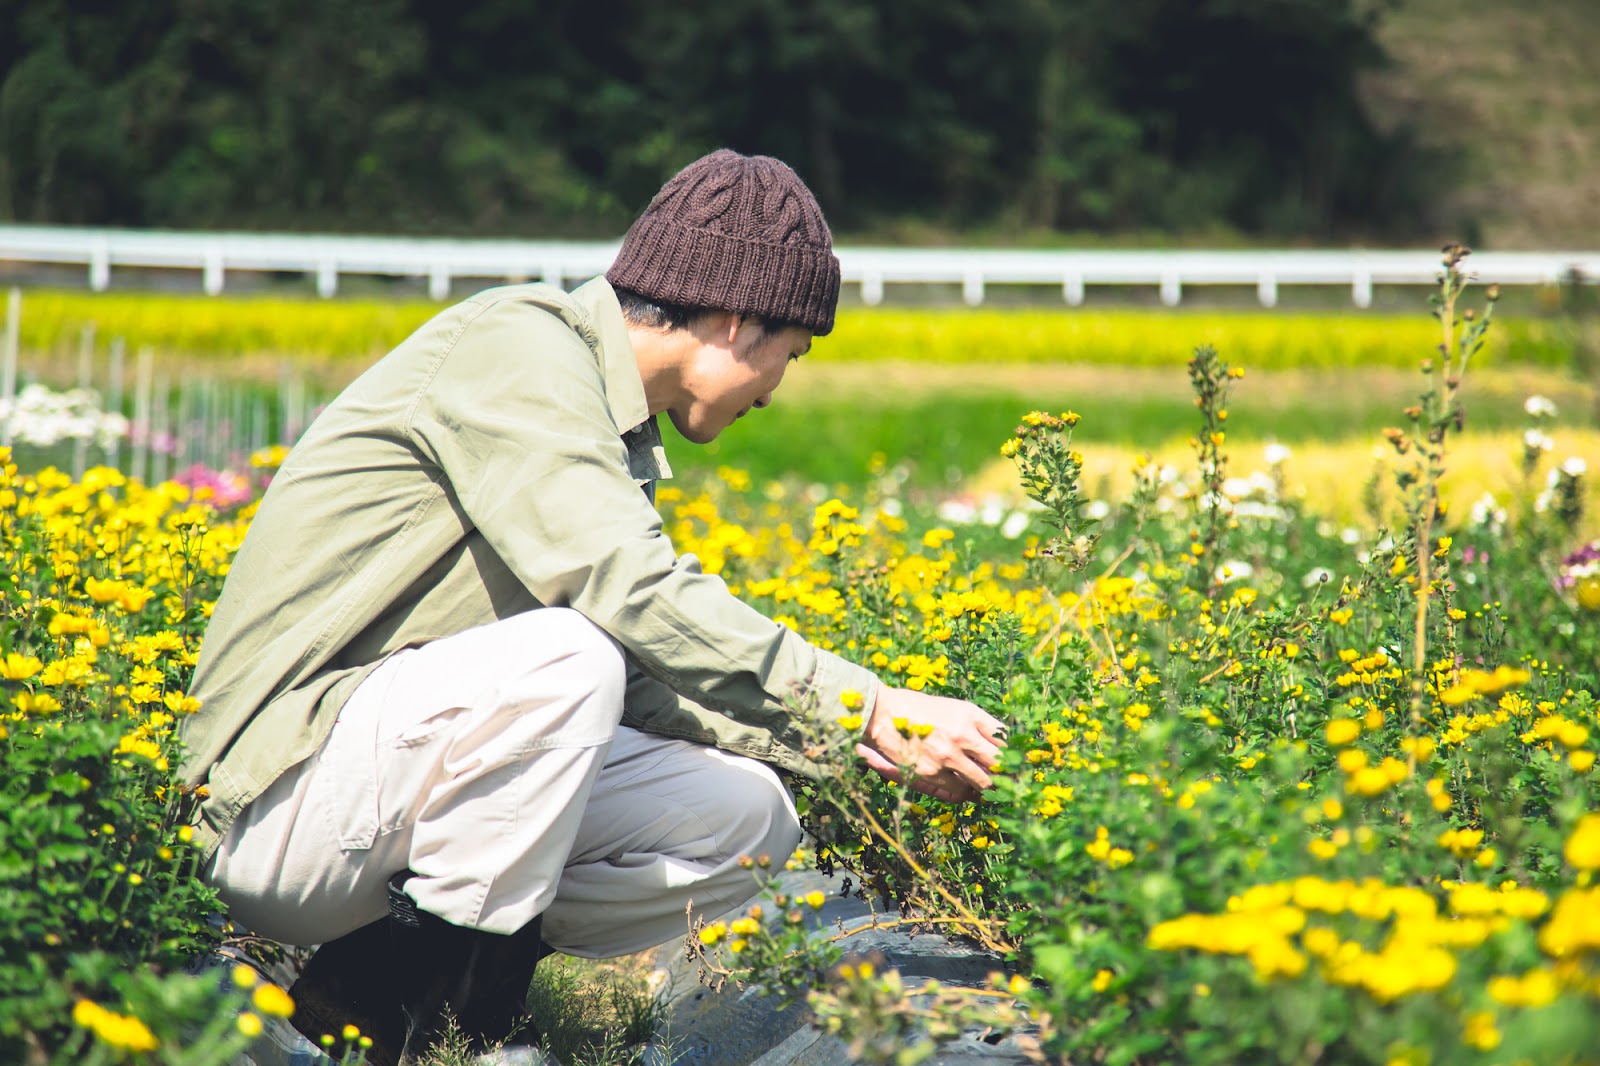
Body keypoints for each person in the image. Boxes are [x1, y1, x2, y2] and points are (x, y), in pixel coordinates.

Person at [179, 149, 1007, 1066]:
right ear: (734, 323)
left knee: (744, 820)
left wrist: (847, 743)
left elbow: (642, 674)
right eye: (790, 353)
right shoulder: (516, 350)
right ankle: (434, 1035)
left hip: (374, 792)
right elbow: (626, 594)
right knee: (571, 658)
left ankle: (372, 988)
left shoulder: (605, 423)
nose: (778, 390)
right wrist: (872, 701)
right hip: (275, 797)